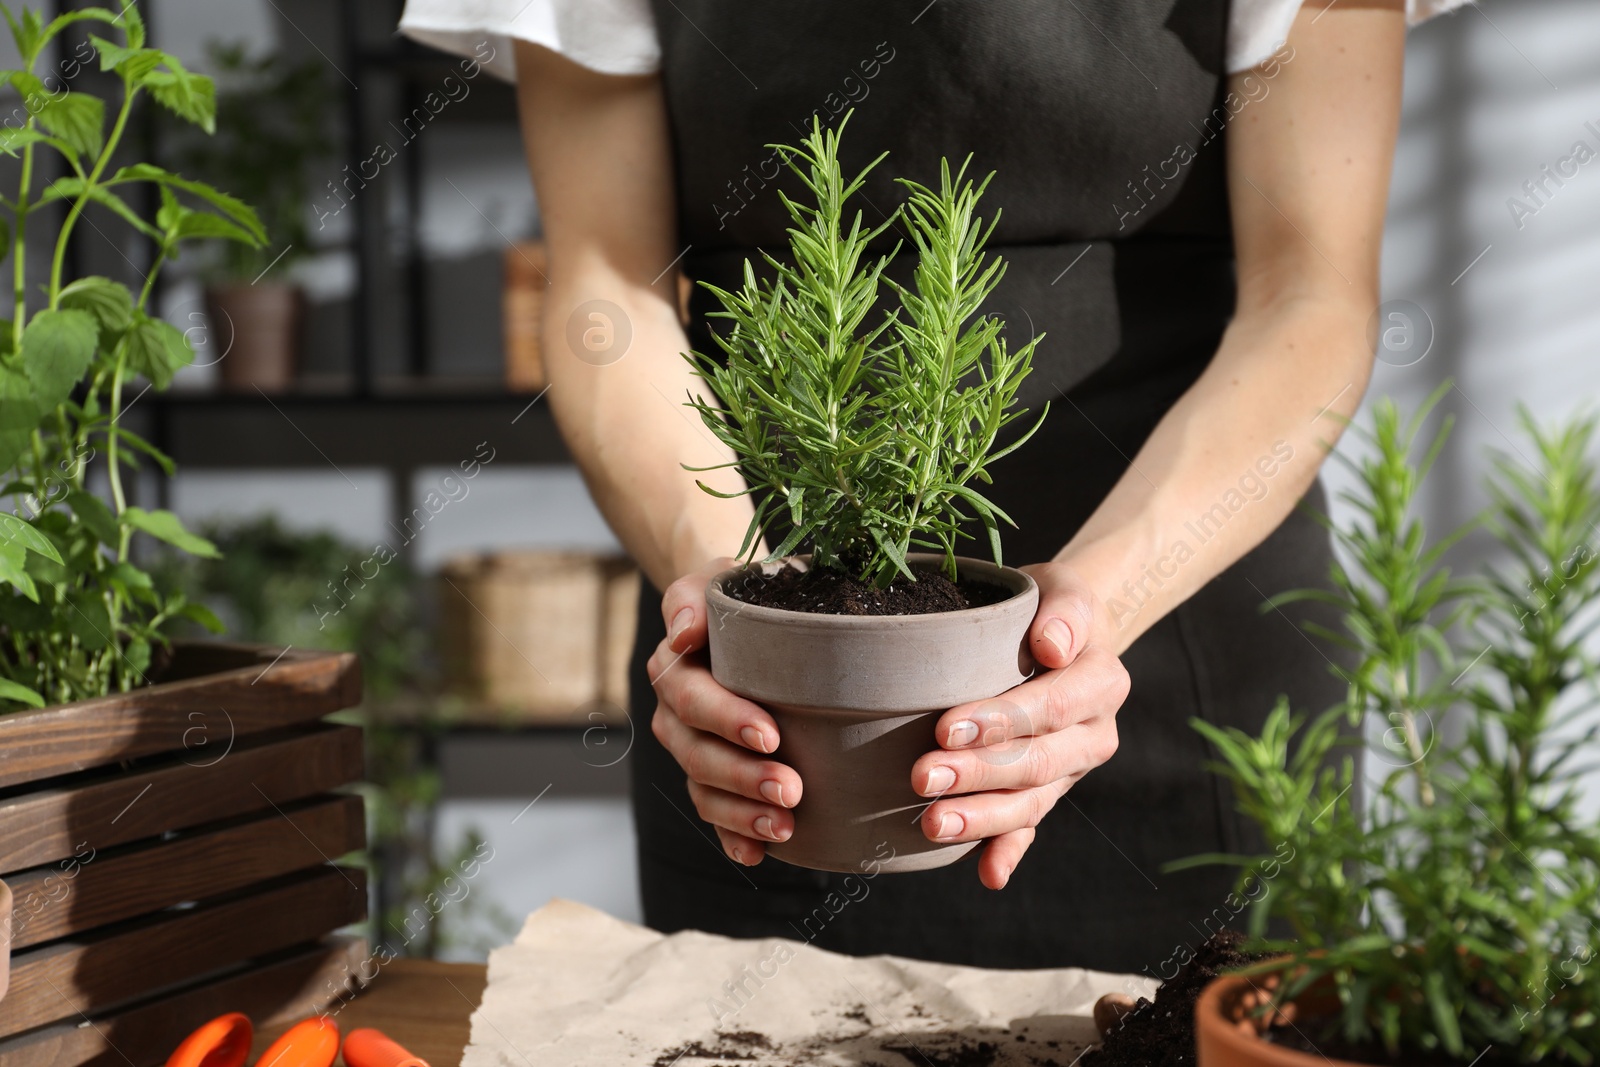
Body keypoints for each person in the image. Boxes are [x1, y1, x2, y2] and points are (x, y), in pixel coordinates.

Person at [400, 0, 1463, 972]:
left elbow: (1310, 299)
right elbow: (606, 288)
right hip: (779, 722)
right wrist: (738, 600)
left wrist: (1087, 616)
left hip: (1192, 650)